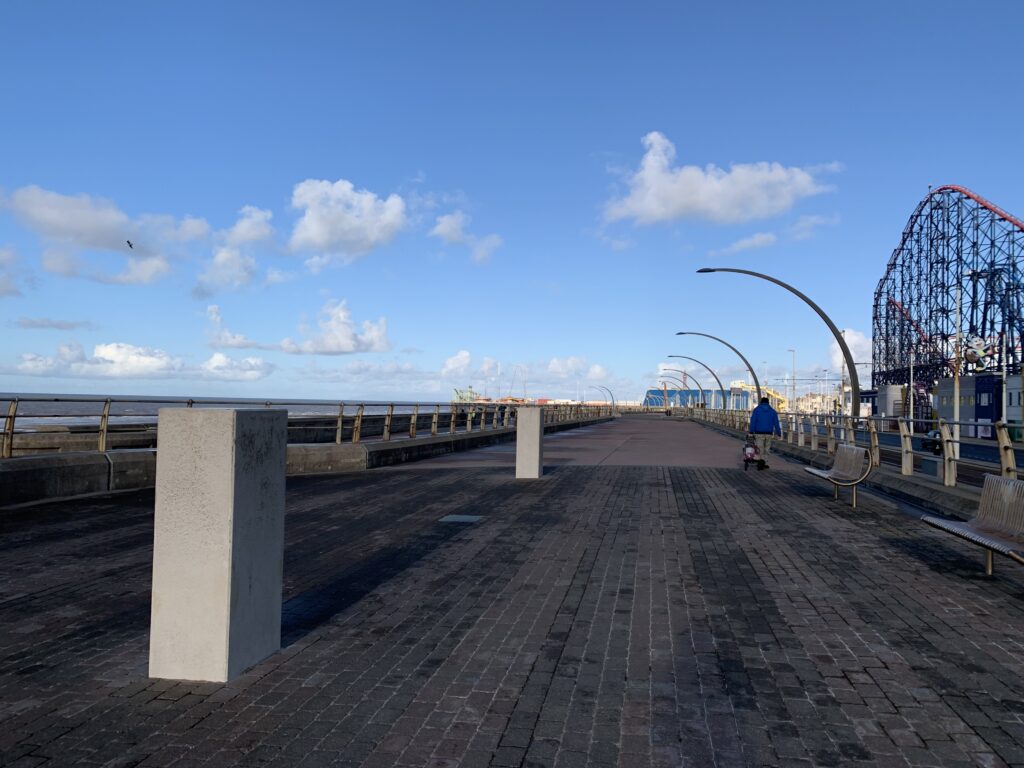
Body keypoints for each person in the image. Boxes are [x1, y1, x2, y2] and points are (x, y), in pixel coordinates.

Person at [749, 396, 781, 470]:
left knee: (760, 448)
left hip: (758, 432)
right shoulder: (773, 411)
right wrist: (778, 433)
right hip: (769, 433)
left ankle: (760, 462)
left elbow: (753, 421)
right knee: (767, 449)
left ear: (761, 402)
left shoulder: (756, 410)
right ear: (768, 403)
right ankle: (764, 463)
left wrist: (751, 431)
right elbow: (776, 423)